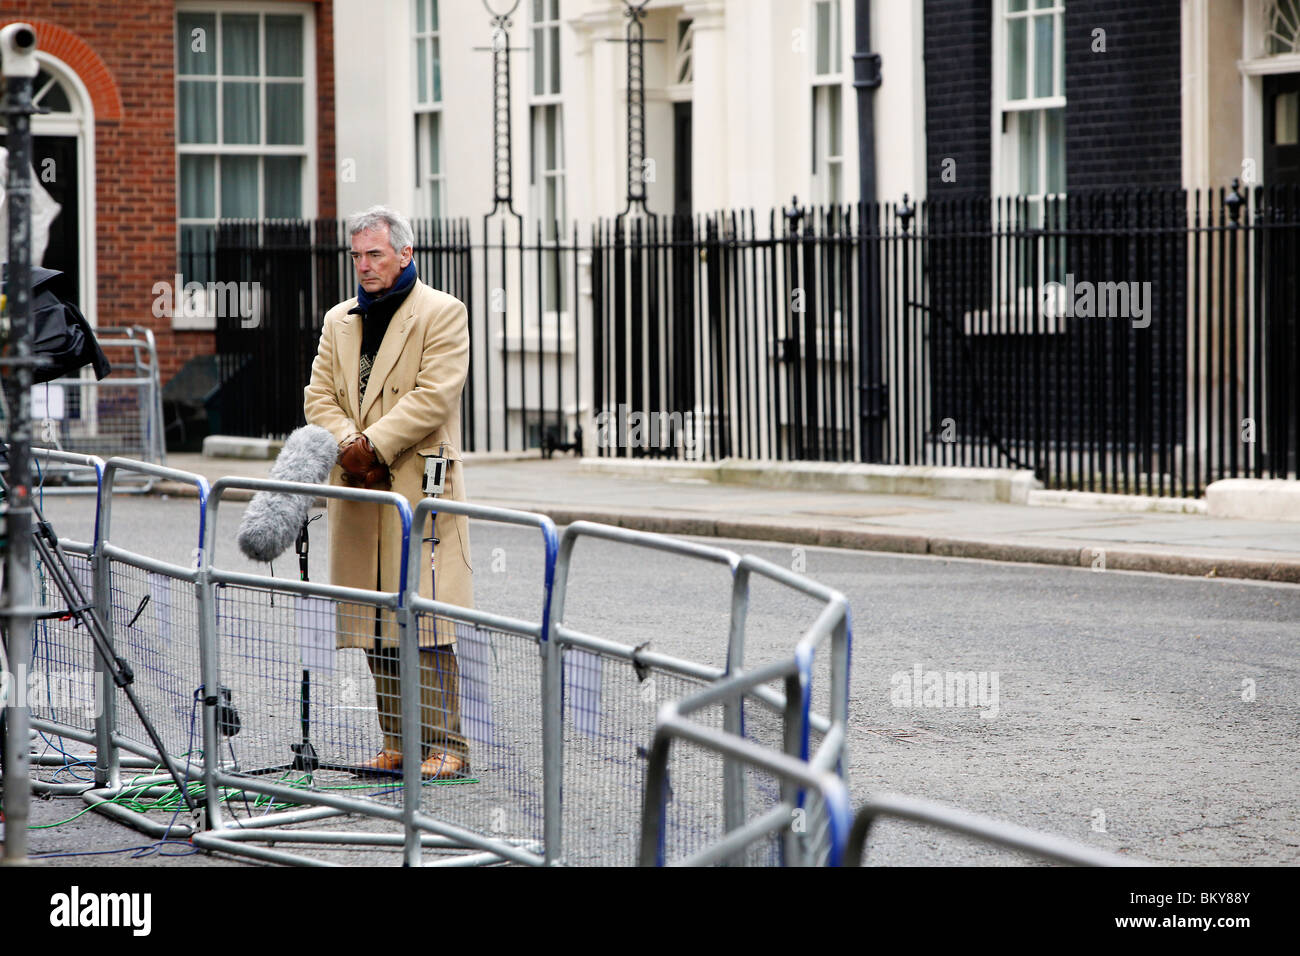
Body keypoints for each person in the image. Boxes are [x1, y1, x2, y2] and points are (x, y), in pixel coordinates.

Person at [304, 205, 473, 779]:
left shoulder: (443, 312)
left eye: (375, 254)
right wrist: (349, 445)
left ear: (405, 253)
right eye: (356, 255)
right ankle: (398, 743)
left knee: (423, 620)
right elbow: (318, 396)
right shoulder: (339, 319)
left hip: (413, 484)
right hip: (359, 486)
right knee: (376, 620)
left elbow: (434, 397)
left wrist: (370, 447)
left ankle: (447, 747)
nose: (365, 265)